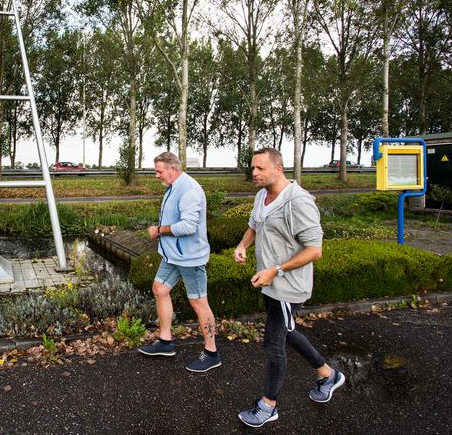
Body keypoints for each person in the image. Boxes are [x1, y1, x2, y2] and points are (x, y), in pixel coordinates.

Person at [234, 147, 345, 428]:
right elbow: (255, 225)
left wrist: (276, 270)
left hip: (287, 286)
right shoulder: (262, 195)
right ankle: (327, 373)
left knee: (274, 343)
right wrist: (242, 245)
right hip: (269, 282)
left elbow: (314, 250)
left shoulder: (299, 202)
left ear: (278, 168)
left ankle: (268, 406)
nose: (254, 173)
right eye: (253, 168)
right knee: (287, 331)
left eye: (260, 168)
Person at [137, 152, 221, 372]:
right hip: (173, 256)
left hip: (190, 258)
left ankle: (212, 353)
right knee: (160, 289)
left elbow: (188, 227)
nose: (156, 175)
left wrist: (159, 231)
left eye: (159, 171)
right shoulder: (173, 187)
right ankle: (165, 342)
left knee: (199, 302)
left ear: (172, 169)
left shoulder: (189, 190)